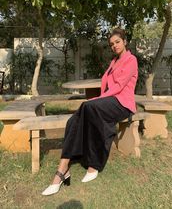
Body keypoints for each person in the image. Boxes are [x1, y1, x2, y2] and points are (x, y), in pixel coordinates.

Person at [42, 27, 138, 196]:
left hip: (123, 104)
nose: (114, 46)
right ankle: (63, 168)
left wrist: (98, 99)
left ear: (125, 41)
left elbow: (119, 86)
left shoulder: (131, 60)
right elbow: (106, 83)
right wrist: (99, 99)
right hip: (111, 100)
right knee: (75, 120)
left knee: (88, 106)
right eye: (111, 44)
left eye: (117, 42)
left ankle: (93, 165)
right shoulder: (113, 62)